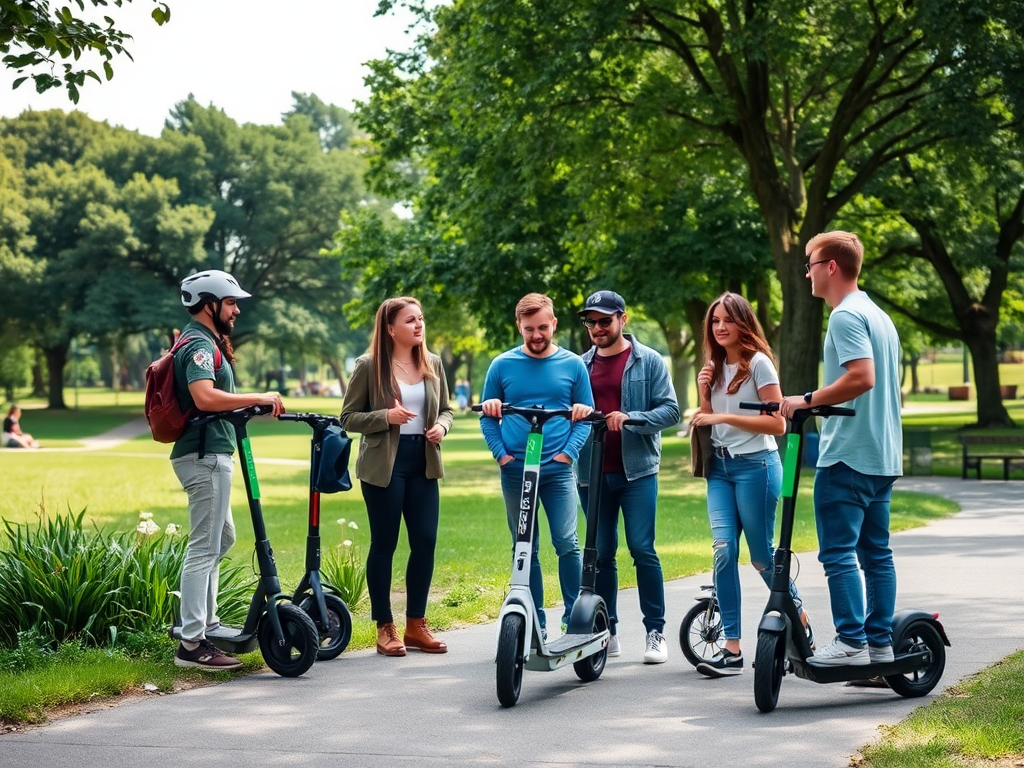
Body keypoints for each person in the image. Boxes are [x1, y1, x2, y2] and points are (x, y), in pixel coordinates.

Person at [780, 230, 902, 667]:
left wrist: (806, 400)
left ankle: (851, 642)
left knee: (837, 553)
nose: (807, 273)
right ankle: (880, 645)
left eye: (810, 264)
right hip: (882, 454)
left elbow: (863, 377)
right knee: (876, 554)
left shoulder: (846, 316)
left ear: (830, 267)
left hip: (848, 455)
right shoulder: (879, 315)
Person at [689, 292, 812, 678]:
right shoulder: (713, 366)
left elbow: (778, 425)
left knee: (761, 556)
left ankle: (798, 614)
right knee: (723, 551)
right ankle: (732, 648)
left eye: (728, 319)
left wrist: (721, 417)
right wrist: (703, 394)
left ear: (744, 322)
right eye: (714, 321)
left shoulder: (759, 364)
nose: (720, 327)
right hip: (721, 470)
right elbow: (712, 422)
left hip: (757, 467)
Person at [171, 269, 286, 671]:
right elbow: (204, 397)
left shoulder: (206, 341)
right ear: (209, 305)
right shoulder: (199, 345)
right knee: (205, 546)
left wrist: (246, 404)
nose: (236, 310)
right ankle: (191, 644)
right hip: (205, 457)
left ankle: (205, 622)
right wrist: (258, 396)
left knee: (221, 539)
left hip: (210, 454)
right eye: (232, 302)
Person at [341, 297, 454, 657]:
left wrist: (440, 426)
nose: (419, 325)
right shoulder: (369, 365)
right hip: (383, 466)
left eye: (420, 319)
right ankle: (384, 626)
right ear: (390, 329)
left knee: (425, 541)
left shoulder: (433, 363)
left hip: (423, 463)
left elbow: (448, 410)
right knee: (384, 545)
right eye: (410, 321)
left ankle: (416, 625)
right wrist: (384, 418)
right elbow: (347, 418)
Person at [479, 293, 594, 637]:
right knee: (524, 546)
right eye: (529, 329)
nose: (537, 335)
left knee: (567, 543)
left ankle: (574, 617)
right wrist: (501, 454)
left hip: (557, 470)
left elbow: (585, 417)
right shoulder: (502, 365)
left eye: (543, 327)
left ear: (554, 323)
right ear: (519, 326)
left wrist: (568, 454)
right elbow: (487, 417)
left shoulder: (573, 365)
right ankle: (534, 620)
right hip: (515, 469)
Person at [576, 291, 680, 664]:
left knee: (641, 548)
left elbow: (671, 411)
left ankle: (655, 632)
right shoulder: (580, 366)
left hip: (637, 472)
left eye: (604, 320)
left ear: (622, 318)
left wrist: (630, 418)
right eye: (591, 322)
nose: (597, 328)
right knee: (601, 555)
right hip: (591, 473)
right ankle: (608, 632)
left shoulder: (648, 360)